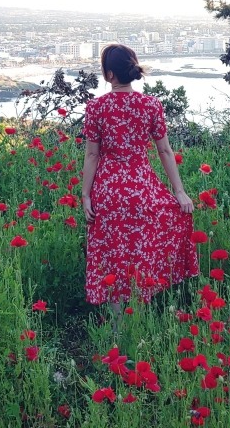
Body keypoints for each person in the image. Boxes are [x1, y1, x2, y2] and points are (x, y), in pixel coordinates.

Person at [80, 44, 198, 306]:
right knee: (141, 250)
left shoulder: (96, 107)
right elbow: (164, 150)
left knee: (112, 255)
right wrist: (179, 192)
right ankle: (140, 308)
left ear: (110, 74)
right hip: (142, 190)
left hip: (108, 191)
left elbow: (92, 155)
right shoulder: (151, 105)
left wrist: (85, 195)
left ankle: (116, 319)